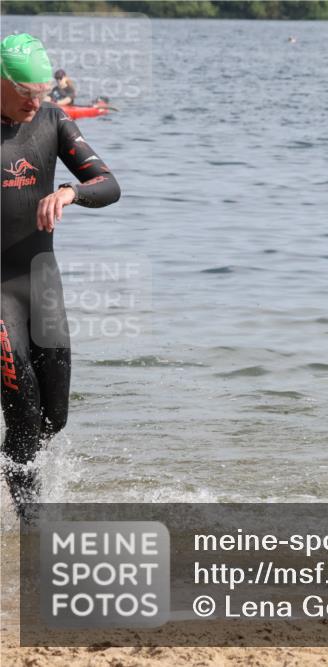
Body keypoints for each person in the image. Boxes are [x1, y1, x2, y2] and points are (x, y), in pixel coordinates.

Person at [1, 34, 121, 521]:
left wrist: (71, 193)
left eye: (42, 91)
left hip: (40, 281)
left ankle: (19, 493)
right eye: (26, 92)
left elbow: (108, 184)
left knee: (54, 416)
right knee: (24, 415)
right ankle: (32, 533)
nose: (36, 101)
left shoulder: (52, 119)